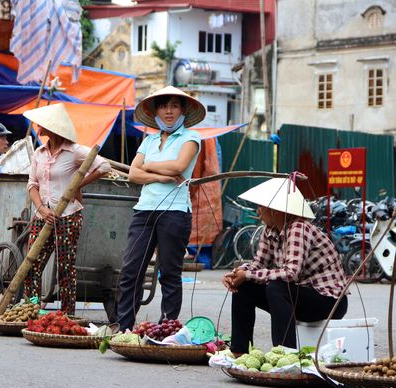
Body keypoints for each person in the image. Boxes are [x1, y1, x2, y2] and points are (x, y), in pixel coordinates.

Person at [222, 177, 348, 354]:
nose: (258, 212)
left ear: (275, 210)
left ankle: (284, 353)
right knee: (244, 287)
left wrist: (249, 275)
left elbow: (291, 274)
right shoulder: (270, 231)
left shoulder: (299, 228)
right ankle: (239, 350)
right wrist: (240, 273)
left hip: (328, 301)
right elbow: (259, 264)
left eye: (261, 207)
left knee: (277, 287)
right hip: (299, 295)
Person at [116, 86, 206, 331]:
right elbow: (133, 174)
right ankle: (124, 327)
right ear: (156, 110)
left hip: (175, 212)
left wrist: (150, 166)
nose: (169, 111)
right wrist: (160, 175)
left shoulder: (191, 137)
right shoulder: (150, 139)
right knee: (131, 270)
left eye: (174, 106)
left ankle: (166, 328)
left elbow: (179, 166)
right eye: (164, 106)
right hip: (144, 209)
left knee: (168, 273)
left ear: (183, 111)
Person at [23, 103, 111, 315]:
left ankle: (66, 314)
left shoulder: (75, 152)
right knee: (31, 266)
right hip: (42, 216)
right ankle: (31, 309)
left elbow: (104, 167)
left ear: (51, 128)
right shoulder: (39, 153)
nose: (38, 127)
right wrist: (42, 209)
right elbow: (32, 185)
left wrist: (77, 185)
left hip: (68, 216)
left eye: (41, 124)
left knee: (65, 268)